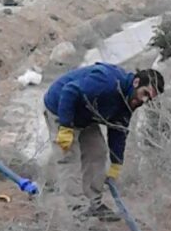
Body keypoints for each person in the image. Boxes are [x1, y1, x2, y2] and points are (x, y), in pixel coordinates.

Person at [43, 63, 164, 219]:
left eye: (149, 99)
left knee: (97, 152)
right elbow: (70, 91)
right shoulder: (107, 83)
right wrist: (66, 127)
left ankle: (94, 203)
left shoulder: (130, 100)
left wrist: (116, 162)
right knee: (68, 157)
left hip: (85, 115)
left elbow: (118, 129)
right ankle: (77, 209)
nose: (144, 100)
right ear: (136, 83)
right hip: (60, 107)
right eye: (144, 93)